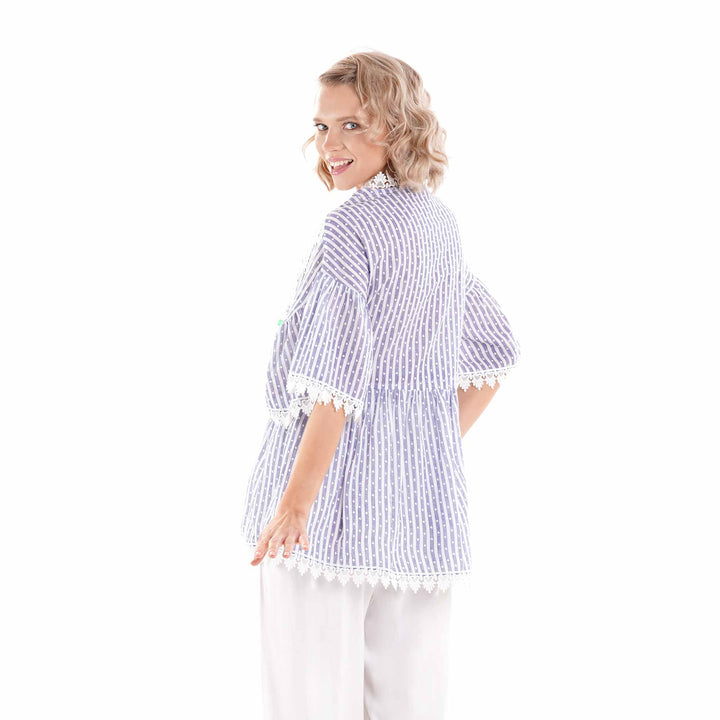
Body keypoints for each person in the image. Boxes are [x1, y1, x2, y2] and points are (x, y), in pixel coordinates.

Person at [240, 50, 521, 720]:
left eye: (352, 126)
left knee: (309, 703)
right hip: (418, 515)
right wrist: (418, 450)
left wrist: (296, 504)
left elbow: (333, 383)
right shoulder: (437, 223)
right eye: (323, 126)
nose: (331, 145)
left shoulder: (350, 228)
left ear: (397, 126)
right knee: (409, 703)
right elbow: (497, 349)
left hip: (324, 518)